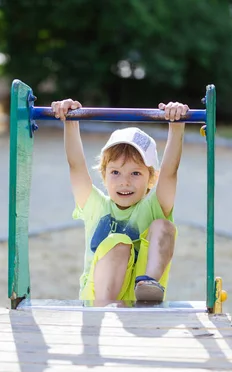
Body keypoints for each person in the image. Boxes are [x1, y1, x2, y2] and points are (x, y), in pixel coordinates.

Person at [52, 98, 189, 303]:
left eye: (135, 173)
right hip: (99, 295)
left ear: (151, 178)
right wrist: (70, 121)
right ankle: (108, 306)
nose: (124, 182)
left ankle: (148, 286)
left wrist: (176, 125)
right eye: (115, 172)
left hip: (137, 292)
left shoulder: (152, 208)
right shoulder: (96, 206)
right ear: (104, 175)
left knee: (164, 226)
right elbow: (76, 167)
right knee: (119, 241)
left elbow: (170, 173)